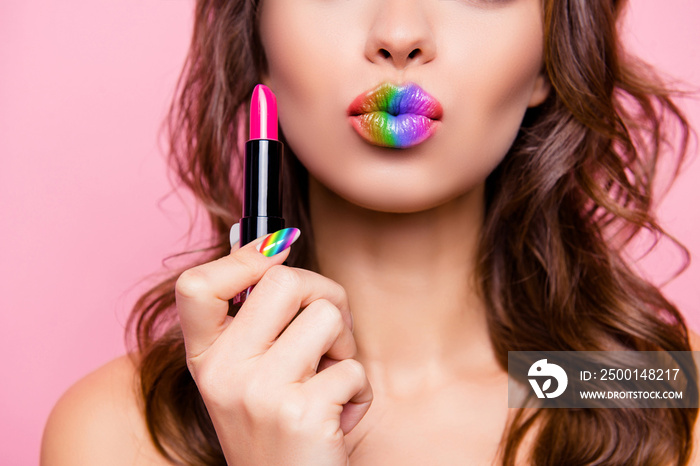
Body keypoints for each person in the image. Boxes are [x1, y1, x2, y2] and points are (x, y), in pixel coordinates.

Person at [41, 0, 700, 464]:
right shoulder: (117, 435)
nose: (400, 33)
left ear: (550, 57)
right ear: (258, 39)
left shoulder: (660, 392)